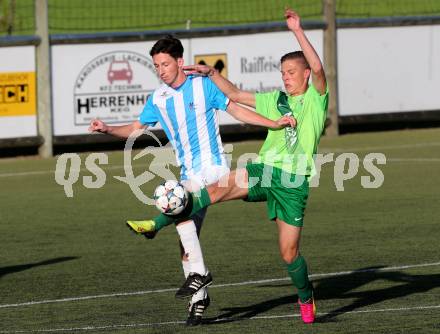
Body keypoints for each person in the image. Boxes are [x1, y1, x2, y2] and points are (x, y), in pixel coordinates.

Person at [126, 8, 328, 324]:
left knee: (289, 254)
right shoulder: (276, 99)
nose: (285, 76)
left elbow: (317, 66)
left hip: (293, 183)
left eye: (290, 72)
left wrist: (298, 30)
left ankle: (306, 296)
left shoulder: (317, 97)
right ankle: (156, 223)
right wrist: (212, 74)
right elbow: (233, 94)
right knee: (217, 188)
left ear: (304, 75)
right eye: (282, 72)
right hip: (265, 169)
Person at [89, 35, 294, 326]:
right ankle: (199, 300)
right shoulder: (158, 99)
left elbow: (235, 110)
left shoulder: (202, 86)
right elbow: (136, 128)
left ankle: (185, 259)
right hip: (189, 175)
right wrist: (108, 129)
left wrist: (272, 123)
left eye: (165, 63)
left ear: (180, 62)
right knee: (185, 239)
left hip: (212, 171)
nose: (161, 70)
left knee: (177, 199)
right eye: (156, 65)